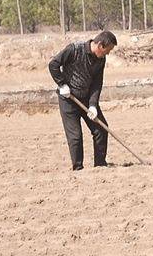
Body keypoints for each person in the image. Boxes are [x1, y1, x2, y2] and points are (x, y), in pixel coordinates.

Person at [49, 31, 117, 170]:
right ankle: (78, 168)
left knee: (101, 129)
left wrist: (93, 105)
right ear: (100, 45)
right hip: (68, 98)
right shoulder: (74, 50)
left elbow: (97, 83)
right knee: (75, 136)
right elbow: (53, 65)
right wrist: (62, 84)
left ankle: (100, 165)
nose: (108, 53)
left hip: (86, 98)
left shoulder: (101, 59)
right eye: (108, 50)